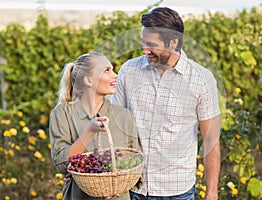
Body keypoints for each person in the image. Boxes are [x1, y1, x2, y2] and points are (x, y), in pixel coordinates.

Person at [110, 7, 221, 200]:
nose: (145, 50)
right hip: (133, 186)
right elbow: (114, 127)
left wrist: (211, 193)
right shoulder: (129, 71)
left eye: (152, 44)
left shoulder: (201, 79)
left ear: (173, 42)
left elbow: (211, 140)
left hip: (178, 190)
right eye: (143, 43)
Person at [49, 52, 139, 200]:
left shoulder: (124, 116)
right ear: (88, 80)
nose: (115, 75)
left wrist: (121, 185)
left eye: (113, 69)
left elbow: (134, 162)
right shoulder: (62, 114)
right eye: (107, 70)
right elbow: (62, 164)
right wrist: (89, 132)